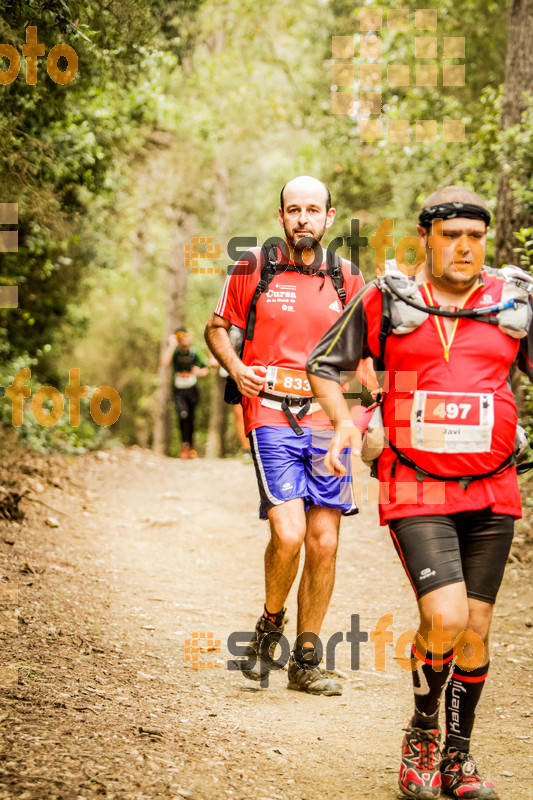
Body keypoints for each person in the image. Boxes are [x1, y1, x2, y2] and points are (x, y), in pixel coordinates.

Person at [306, 185, 533, 798]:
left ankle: (458, 759)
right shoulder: (388, 299)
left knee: (477, 632)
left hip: (494, 487)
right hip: (417, 483)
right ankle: (422, 733)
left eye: (475, 237)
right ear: (425, 238)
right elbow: (325, 365)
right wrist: (344, 428)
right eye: (451, 235)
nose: (465, 247)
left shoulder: (512, 300)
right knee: (446, 617)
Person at [205, 175, 378, 695]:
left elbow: (365, 356)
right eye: (293, 209)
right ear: (281, 217)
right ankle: (268, 627)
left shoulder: (349, 278)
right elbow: (217, 327)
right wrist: (236, 367)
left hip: (330, 422)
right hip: (271, 415)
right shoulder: (253, 268)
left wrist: (370, 419)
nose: (303, 218)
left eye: (313, 210)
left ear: (329, 218)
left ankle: (306, 658)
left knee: (324, 541)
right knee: (289, 532)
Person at [161, 328, 209, 459]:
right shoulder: (175, 352)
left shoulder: (194, 352)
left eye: (188, 336)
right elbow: (164, 362)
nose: (187, 339)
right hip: (179, 390)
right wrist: (171, 345)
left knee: (191, 418)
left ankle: (191, 447)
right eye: (184, 337)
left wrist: (199, 372)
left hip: (192, 388)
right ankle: (184, 445)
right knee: (183, 415)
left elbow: (206, 369)